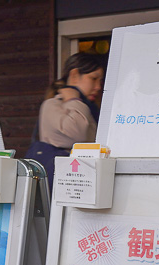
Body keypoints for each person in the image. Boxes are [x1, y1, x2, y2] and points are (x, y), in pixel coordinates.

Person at [24, 52, 105, 191]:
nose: (98, 86)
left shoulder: (90, 108)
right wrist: (74, 100)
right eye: (93, 79)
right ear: (74, 75)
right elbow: (75, 134)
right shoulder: (53, 104)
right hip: (63, 184)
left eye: (100, 81)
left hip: (80, 183)